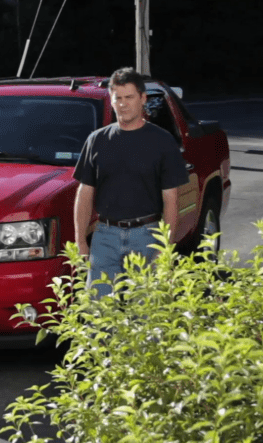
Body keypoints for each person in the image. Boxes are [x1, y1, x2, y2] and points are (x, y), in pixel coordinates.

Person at [73, 67, 190, 297]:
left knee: (145, 316)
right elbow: (84, 193)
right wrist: (80, 243)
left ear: (142, 99)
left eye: (130, 97)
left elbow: (171, 200)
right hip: (104, 236)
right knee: (99, 312)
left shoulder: (162, 142)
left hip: (147, 235)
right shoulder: (96, 141)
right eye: (118, 98)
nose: (124, 103)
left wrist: (165, 248)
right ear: (112, 100)